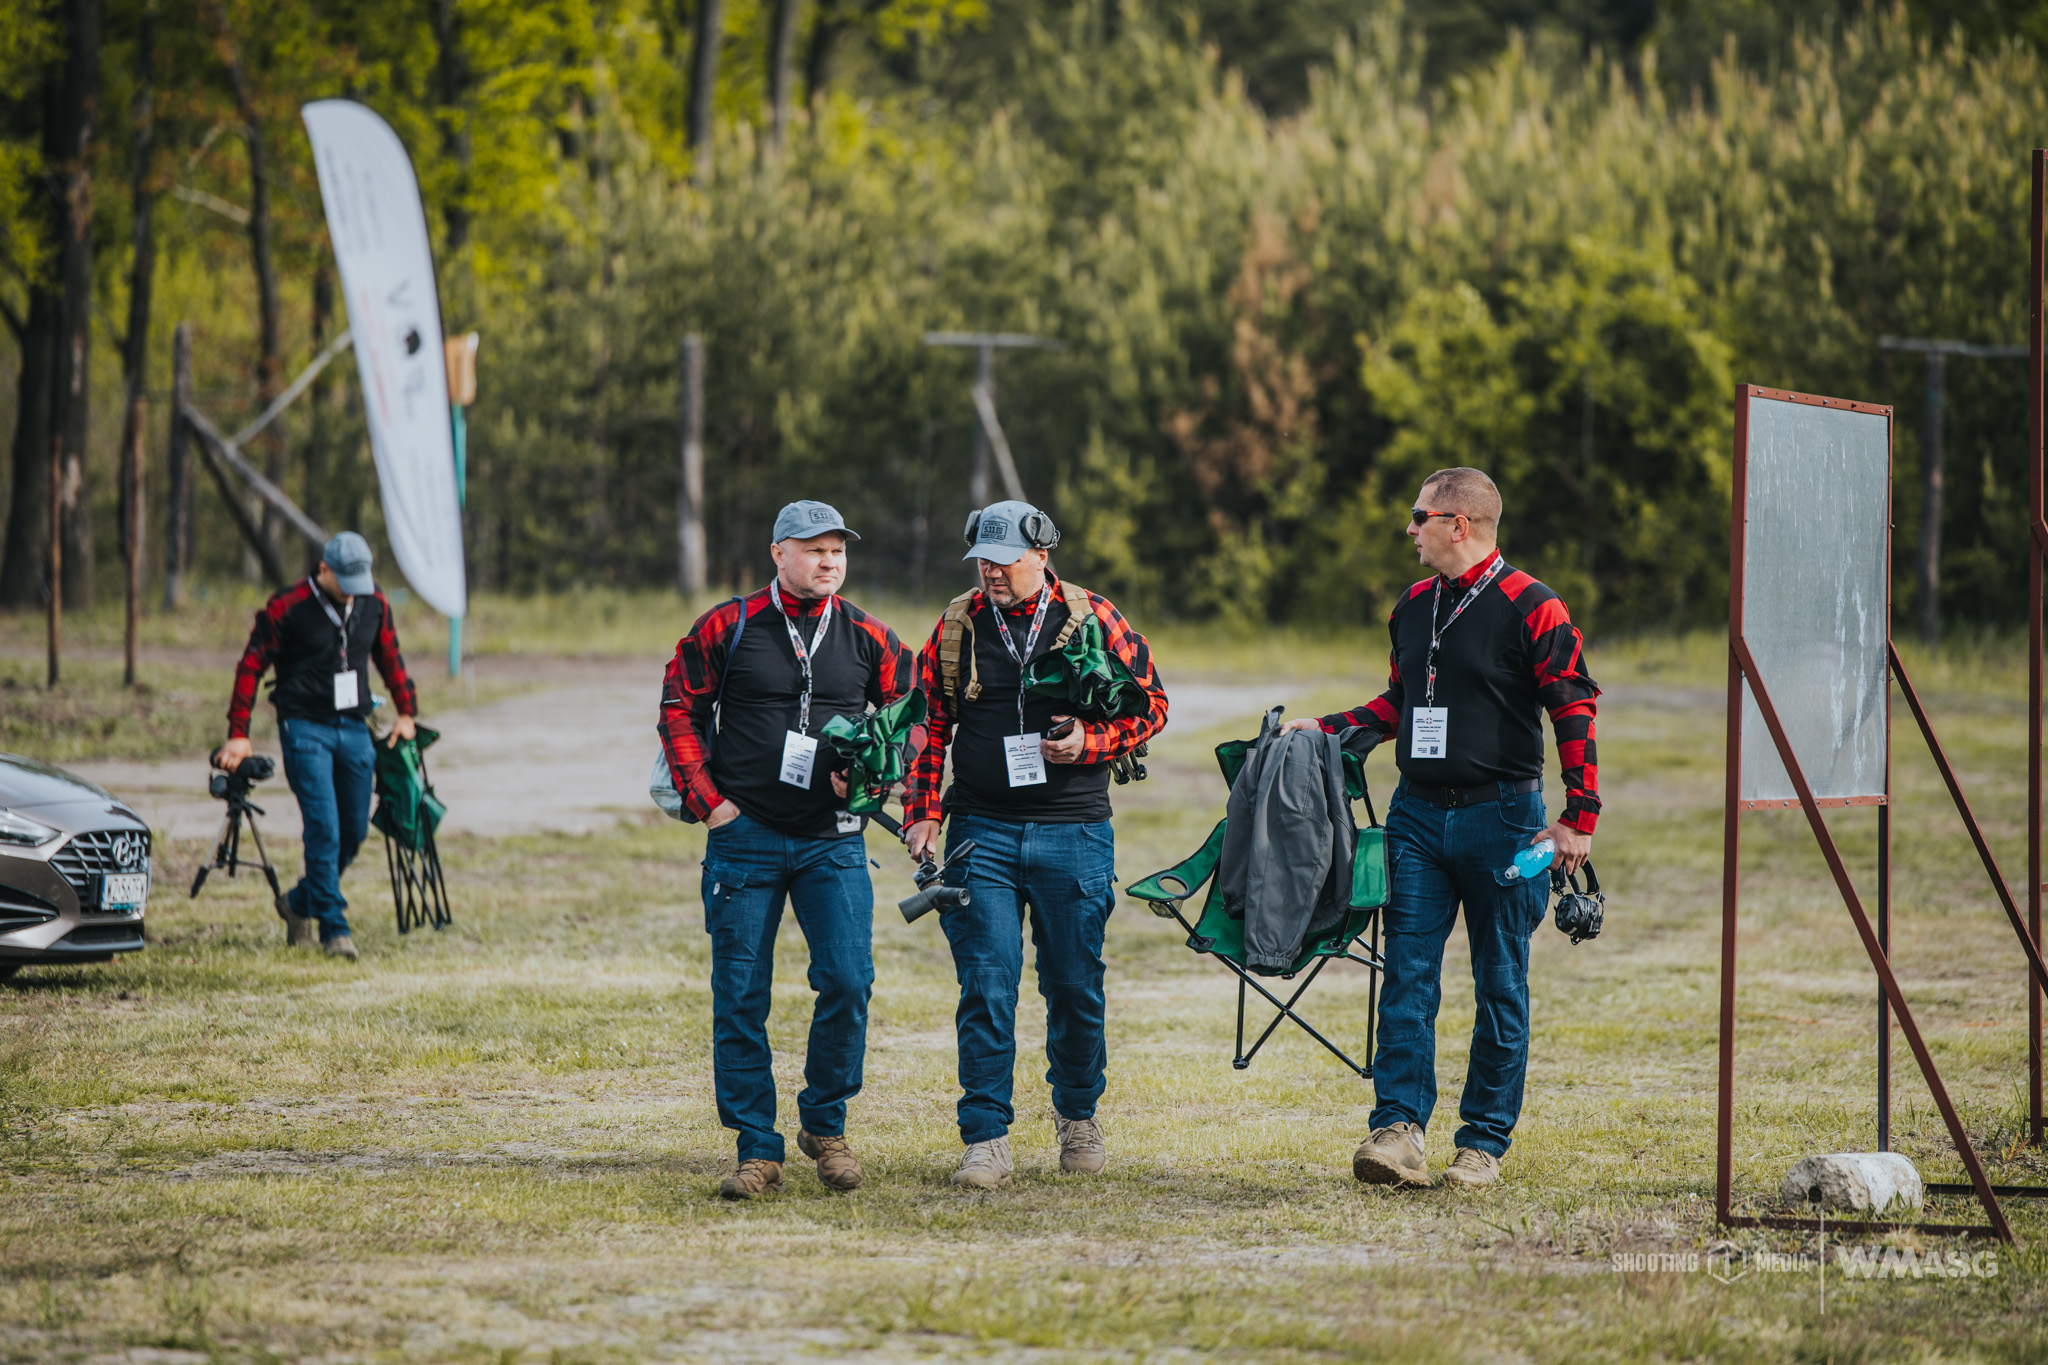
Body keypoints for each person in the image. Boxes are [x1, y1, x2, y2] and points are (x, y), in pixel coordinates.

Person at [1283, 467, 1599, 1189]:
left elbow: (1572, 707)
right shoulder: (1414, 603)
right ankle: (1396, 1132)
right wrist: (1325, 728)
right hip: (1418, 816)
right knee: (1407, 977)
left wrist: (1579, 815)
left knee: (1500, 983)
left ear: (1460, 524)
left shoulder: (1535, 605)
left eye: (1419, 514)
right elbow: (1398, 705)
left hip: (1505, 819)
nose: (1409, 527)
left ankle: (1482, 1142)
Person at [903, 500, 1168, 1189]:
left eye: (1005, 558)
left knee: (1075, 987)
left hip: (1075, 832)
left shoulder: (1094, 616)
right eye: (983, 559)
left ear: (1042, 555)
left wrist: (1091, 743)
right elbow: (931, 719)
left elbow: (1153, 705)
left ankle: (1077, 1116)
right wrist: (924, 811)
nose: (991, 570)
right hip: (980, 832)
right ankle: (986, 1137)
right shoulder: (958, 623)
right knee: (987, 985)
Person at [658, 500, 914, 1200]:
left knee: (848, 979)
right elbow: (678, 705)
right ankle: (756, 1147)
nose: (828, 561)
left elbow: (909, 720)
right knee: (740, 994)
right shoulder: (729, 625)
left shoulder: (870, 636)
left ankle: (824, 1125)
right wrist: (710, 804)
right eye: (813, 549)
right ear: (778, 553)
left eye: (837, 550)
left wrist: (878, 775)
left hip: (832, 840)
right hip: (745, 839)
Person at [220, 532, 419, 961]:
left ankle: (298, 903)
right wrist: (239, 731)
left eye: (359, 580)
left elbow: (390, 656)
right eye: (344, 580)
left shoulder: (374, 602)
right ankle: (334, 927)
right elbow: (251, 665)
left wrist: (407, 711)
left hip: (353, 728)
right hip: (304, 727)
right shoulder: (287, 606)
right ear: (323, 569)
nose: (353, 590)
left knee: (354, 830)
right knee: (323, 828)